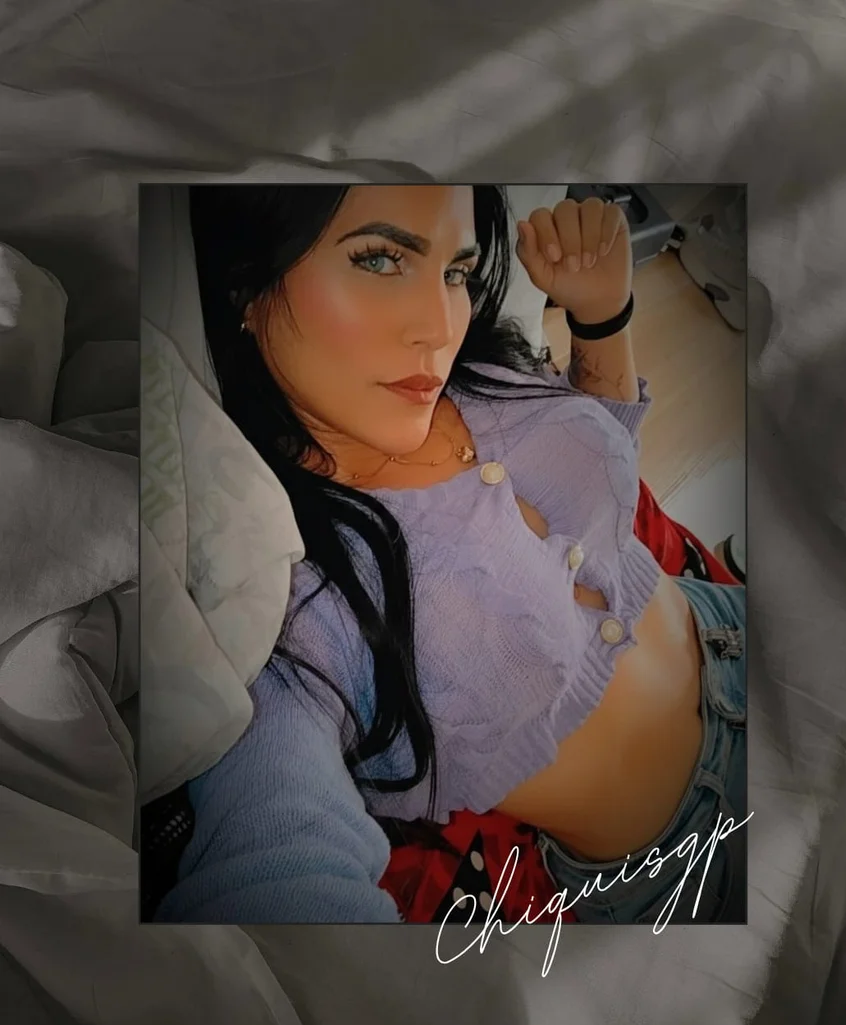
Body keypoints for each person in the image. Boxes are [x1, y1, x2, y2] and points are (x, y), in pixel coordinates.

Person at [152, 184, 746, 926]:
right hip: (698, 846)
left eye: (455, 272)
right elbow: (275, 866)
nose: (439, 327)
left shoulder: (475, 372)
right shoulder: (292, 598)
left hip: (727, 625)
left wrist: (602, 317)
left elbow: (607, 481)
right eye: (379, 259)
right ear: (246, 283)